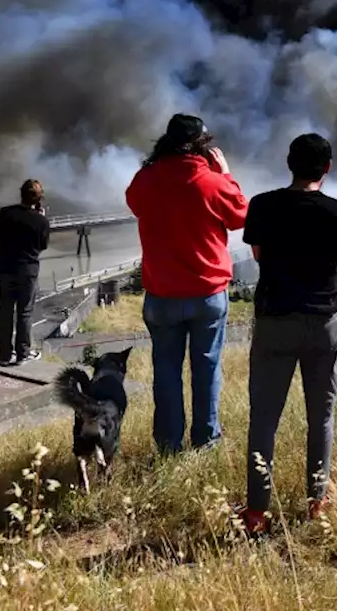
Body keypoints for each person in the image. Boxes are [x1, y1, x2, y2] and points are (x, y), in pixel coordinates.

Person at [237, 133, 337, 535]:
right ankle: (317, 503)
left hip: (274, 323)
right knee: (320, 417)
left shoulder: (262, 206)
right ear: (328, 167)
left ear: (289, 163)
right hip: (324, 325)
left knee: (263, 420)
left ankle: (256, 512)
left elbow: (257, 254)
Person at [126, 114, 248, 456]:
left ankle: (168, 445)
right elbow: (241, 216)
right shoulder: (213, 182)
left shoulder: (146, 179)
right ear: (203, 145)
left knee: (166, 371)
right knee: (206, 369)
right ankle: (206, 441)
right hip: (208, 293)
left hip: (161, 295)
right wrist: (225, 174)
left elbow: (134, 203)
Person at [0, 179, 51, 366]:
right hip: (28, 272)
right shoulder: (41, 221)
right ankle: (23, 354)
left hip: (5, 270)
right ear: (39, 199)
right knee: (25, 313)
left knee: (5, 313)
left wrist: (2, 256)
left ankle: (5, 355)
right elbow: (42, 246)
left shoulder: (3, 214)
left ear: (20, 193)